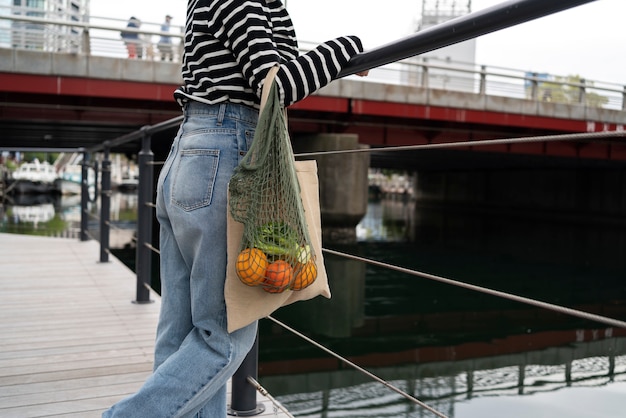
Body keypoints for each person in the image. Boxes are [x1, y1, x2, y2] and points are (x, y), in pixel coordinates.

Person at [103, 1, 367, 416]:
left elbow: (258, 63)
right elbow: (275, 86)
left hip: (191, 151)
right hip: (225, 152)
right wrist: (346, 48)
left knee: (181, 330)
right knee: (225, 335)